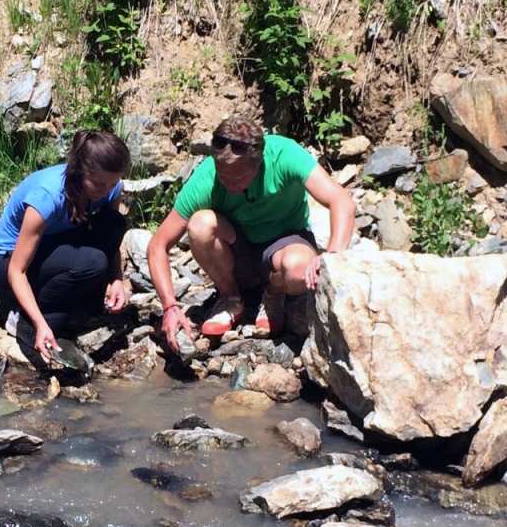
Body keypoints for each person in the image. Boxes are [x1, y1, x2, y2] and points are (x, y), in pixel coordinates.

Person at [147, 115, 356, 352]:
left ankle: (273, 293)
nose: (228, 184)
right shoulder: (208, 178)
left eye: (237, 178)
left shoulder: (285, 155)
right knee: (200, 224)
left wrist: (331, 259)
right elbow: (158, 246)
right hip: (238, 249)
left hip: (285, 240)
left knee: (299, 270)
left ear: (259, 162)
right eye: (223, 176)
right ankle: (231, 299)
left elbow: (341, 201)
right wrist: (170, 307)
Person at [0, 129, 131, 365]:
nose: (105, 191)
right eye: (98, 183)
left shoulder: (109, 188)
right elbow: (17, 270)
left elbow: (111, 239)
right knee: (92, 263)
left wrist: (116, 279)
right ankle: (24, 318)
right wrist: (39, 323)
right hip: (11, 259)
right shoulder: (47, 196)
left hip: (55, 244)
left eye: (112, 184)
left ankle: (78, 309)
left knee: (114, 224)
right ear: (80, 170)